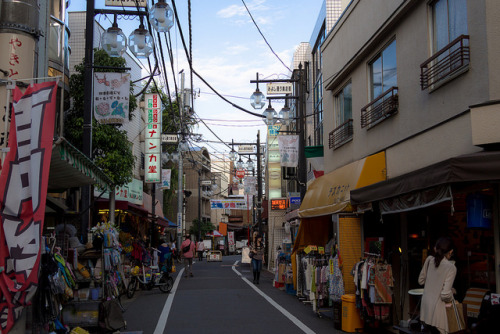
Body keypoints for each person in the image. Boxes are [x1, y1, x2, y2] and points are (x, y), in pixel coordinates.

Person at [418, 237, 457, 334]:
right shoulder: (451, 267)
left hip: (426, 309)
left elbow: (421, 281)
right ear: (450, 251)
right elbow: (445, 295)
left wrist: (434, 282)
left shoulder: (429, 260)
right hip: (438, 314)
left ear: (436, 248)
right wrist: (452, 293)